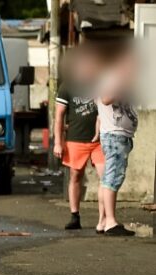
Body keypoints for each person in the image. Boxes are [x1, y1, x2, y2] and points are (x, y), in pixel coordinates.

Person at [54, 49, 104, 231]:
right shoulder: (67, 86)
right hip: (75, 139)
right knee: (76, 176)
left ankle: (104, 218)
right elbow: (59, 116)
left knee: (104, 177)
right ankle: (75, 215)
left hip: (100, 140)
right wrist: (58, 142)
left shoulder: (100, 84)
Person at [96, 52, 139, 237]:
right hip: (115, 136)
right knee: (112, 178)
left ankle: (104, 221)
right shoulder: (114, 78)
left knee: (108, 178)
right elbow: (106, 98)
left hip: (116, 135)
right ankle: (110, 222)